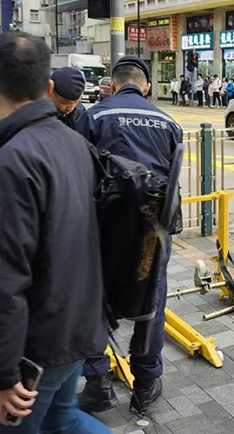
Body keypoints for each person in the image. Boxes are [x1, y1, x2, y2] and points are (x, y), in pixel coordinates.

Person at [0, 32, 109, 434]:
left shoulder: (13, 161)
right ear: (49, 88)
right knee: (62, 419)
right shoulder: (77, 144)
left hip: (36, 347)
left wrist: (2, 373)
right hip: (79, 326)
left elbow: (3, 276)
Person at [77, 56, 182, 416]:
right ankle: (145, 386)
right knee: (150, 304)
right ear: (146, 85)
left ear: (112, 83)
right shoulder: (168, 122)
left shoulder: (94, 116)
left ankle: (97, 383)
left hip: (103, 226)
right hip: (152, 231)